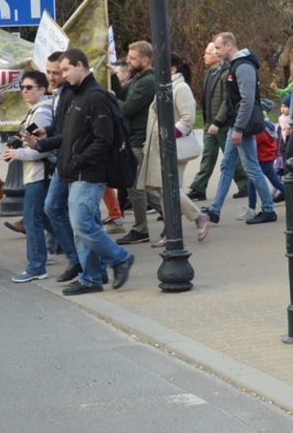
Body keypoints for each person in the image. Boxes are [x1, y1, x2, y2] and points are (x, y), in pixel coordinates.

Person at [53, 49, 135, 294]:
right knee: (82, 226)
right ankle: (92, 276)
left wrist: (78, 161)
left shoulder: (95, 96)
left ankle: (119, 258)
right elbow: (68, 136)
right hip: (76, 171)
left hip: (89, 173)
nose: (63, 75)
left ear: (81, 65)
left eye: (66, 69)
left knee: (82, 224)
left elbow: (104, 139)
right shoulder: (77, 95)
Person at [201, 32, 277, 225]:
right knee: (227, 166)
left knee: (251, 167)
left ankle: (268, 209)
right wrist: (218, 123)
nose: (216, 51)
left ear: (228, 46)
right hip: (237, 125)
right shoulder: (236, 66)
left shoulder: (242, 66)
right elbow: (231, 100)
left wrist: (239, 128)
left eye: (218, 47)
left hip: (241, 126)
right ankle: (215, 209)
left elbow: (247, 100)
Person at [25, 51, 84, 281]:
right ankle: (77, 260)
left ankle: (109, 260)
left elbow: (70, 133)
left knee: (82, 219)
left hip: (74, 162)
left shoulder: (72, 93)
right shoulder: (58, 94)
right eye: (48, 71)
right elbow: (61, 129)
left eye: (56, 72)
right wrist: (46, 133)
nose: (50, 76)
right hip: (63, 162)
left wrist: (43, 142)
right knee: (54, 209)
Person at [141, 55, 208, 246]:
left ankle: (197, 217)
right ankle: (170, 230)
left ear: (172, 69)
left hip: (174, 148)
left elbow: (188, 119)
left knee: (170, 189)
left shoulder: (180, 88)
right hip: (163, 147)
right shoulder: (166, 86)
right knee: (165, 190)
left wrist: (167, 137)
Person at [3, 71, 54, 282]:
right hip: (36, 173)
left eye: (29, 87)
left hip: (39, 173)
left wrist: (17, 153)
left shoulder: (41, 112)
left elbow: (40, 149)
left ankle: (36, 266)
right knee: (49, 219)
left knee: (33, 221)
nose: (24, 91)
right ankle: (79, 253)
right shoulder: (36, 111)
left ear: (42, 89)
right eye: (22, 87)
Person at [188, 42, 246, 200]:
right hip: (210, 123)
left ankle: (245, 184)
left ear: (216, 55)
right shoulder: (209, 73)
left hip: (222, 124)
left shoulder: (226, 73)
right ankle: (198, 188)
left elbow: (226, 101)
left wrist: (218, 122)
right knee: (208, 156)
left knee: (231, 158)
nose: (204, 56)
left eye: (207, 53)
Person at [113, 41, 156, 245]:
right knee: (143, 188)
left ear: (145, 60)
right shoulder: (138, 79)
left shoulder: (148, 82)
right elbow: (124, 96)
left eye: (133, 58)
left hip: (139, 139)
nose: (128, 62)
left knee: (136, 187)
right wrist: (113, 77)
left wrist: (110, 99)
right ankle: (181, 215)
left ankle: (141, 229)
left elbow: (127, 108)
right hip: (133, 138)